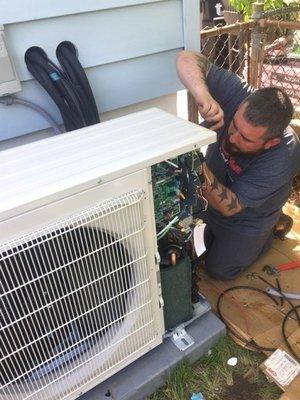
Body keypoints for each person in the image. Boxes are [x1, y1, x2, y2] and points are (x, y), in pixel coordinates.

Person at [176, 51, 300, 280]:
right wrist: (204, 96)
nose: (232, 138)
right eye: (234, 125)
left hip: (248, 217)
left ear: (271, 142)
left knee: (219, 271)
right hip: (212, 197)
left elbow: (229, 208)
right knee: (183, 246)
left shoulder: (284, 155)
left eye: (246, 138)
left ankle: (268, 233)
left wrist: (196, 161)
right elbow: (186, 58)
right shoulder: (240, 94)